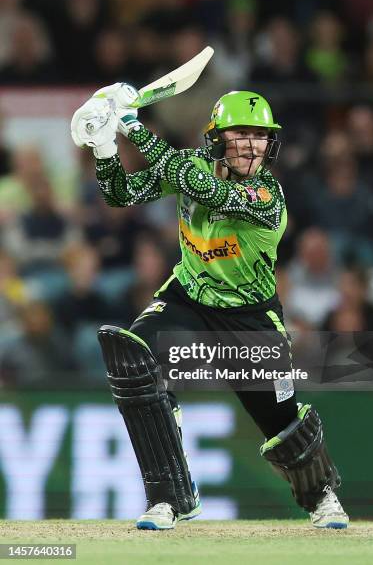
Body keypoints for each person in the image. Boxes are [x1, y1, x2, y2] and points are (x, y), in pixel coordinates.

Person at [71, 84, 349, 530]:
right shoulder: (189, 166)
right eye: (240, 134)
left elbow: (203, 188)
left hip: (250, 314)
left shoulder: (266, 197)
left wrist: (129, 124)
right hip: (188, 298)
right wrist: (105, 147)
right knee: (133, 358)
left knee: (280, 419)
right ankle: (168, 499)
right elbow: (119, 194)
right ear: (217, 137)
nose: (251, 145)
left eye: (259, 136)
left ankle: (322, 498)